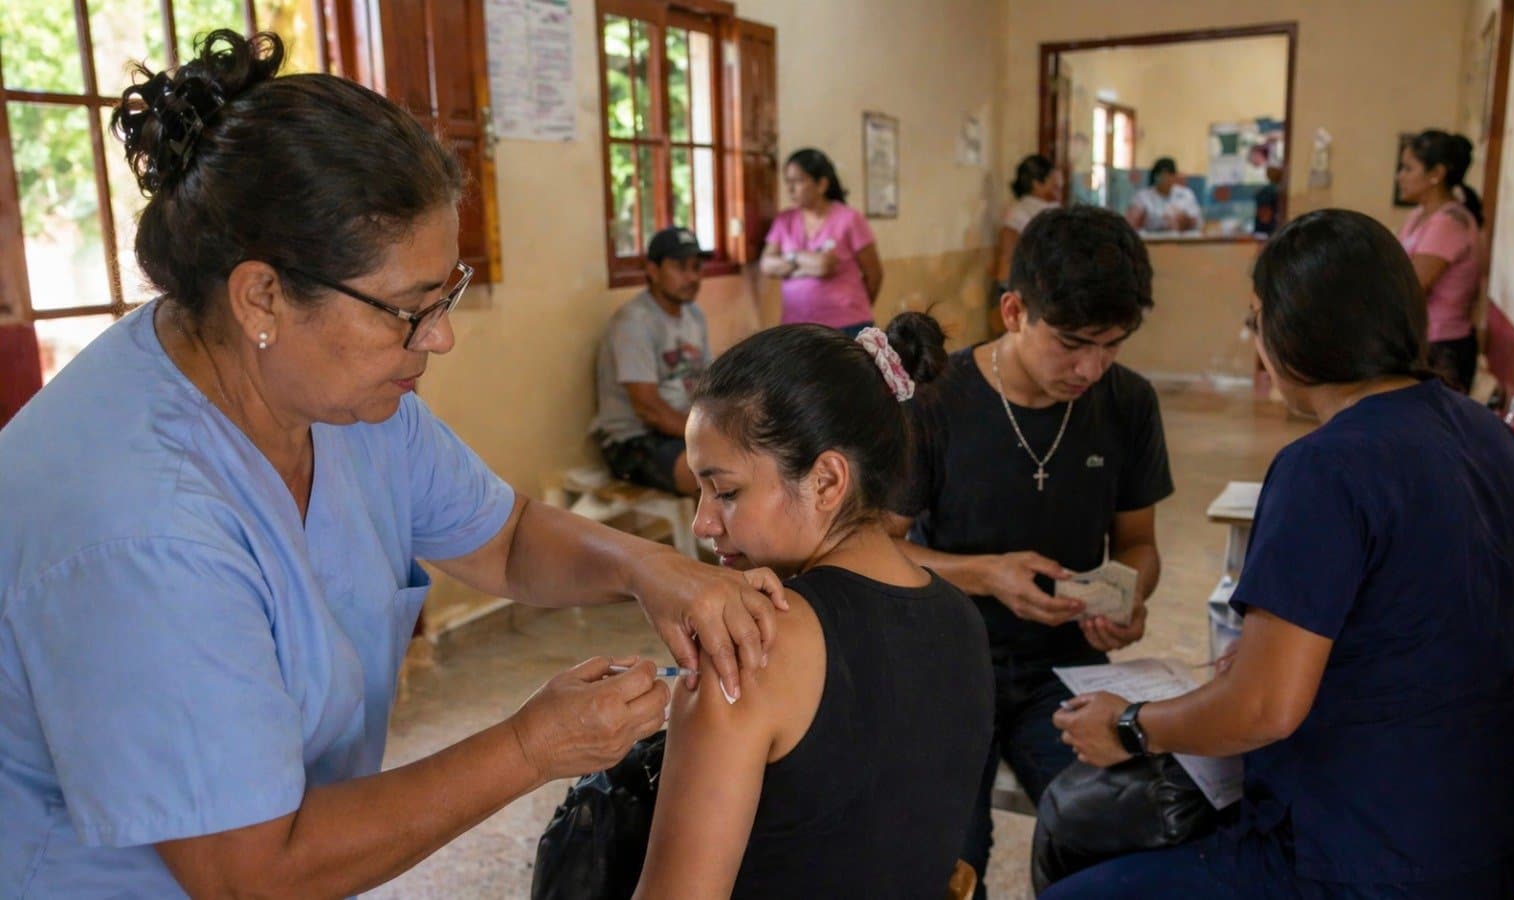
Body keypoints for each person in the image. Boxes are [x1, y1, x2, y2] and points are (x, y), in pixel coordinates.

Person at [0, 32, 783, 898]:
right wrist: (532, 745)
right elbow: (253, 872)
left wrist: (655, 571)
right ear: (261, 296)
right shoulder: (141, 527)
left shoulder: (346, 401)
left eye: (444, 295)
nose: (439, 336)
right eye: (410, 309)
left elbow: (508, 540)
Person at [1047, 209, 1514, 900]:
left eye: (1256, 320)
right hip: (1484, 838)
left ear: (1296, 330)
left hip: (1360, 858)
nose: (1255, 342)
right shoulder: (1490, 438)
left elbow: (1265, 709)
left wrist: (1131, 726)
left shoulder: (1326, 467)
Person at [633, 316, 995, 899]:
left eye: (725, 492)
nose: (703, 524)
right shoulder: (963, 617)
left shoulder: (746, 649)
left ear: (827, 481)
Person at [889, 205, 1173, 899]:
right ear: (1015, 311)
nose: (1091, 368)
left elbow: (1138, 543)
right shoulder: (938, 400)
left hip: (1065, 667)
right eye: (1073, 343)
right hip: (948, 659)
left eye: (1112, 345)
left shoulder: (1127, 402)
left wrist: (1127, 595)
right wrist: (986, 575)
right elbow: (872, 546)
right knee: (947, 856)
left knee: (1116, 826)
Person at [591, 227, 712, 496]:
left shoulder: (694, 316)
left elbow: (710, 387)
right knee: (717, 479)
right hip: (633, 442)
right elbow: (649, 410)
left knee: (753, 464)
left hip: (681, 433)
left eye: (697, 267)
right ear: (653, 271)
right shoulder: (634, 323)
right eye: (681, 267)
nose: (692, 277)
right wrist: (708, 437)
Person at [1395, 129, 1485, 391]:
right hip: (1421, 341)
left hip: (1442, 347)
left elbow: (1412, 286)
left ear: (1436, 174)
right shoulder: (1419, 216)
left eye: (1408, 169)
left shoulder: (1448, 223)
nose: (1400, 177)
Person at [759, 148, 884, 335]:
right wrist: (804, 260)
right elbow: (767, 265)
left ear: (821, 184)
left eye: (798, 181)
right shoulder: (784, 221)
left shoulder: (849, 219)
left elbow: (874, 274)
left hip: (847, 323)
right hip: (797, 326)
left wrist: (789, 263)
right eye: (788, 182)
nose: (790, 189)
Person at [994, 154, 1063, 290]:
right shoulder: (1017, 214)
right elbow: (1007, 259)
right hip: (1026, 288)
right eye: (1053, 181)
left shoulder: (1054, 208)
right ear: (1037, 184)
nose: (1059, 185)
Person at [1126, 156, 1202, 233]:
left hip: (1180, 240)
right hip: (1152, 239)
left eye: (1169, 175)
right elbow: (1132, 223)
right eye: (1161, 176)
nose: (1165, 179)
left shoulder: (1186, 194)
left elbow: (1196, 222)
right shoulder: (1143, 196)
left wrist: (1183, 220)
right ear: (1155, 177)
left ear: (1174, 176)